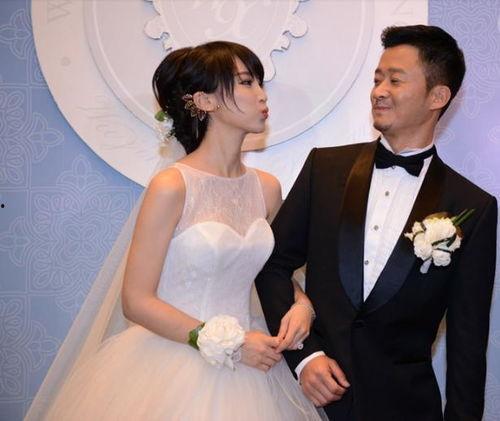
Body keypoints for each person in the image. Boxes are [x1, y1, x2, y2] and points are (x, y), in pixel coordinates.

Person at [25, 41, 322, 420]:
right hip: (175, 361)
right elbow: (136, 300)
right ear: (205, 101)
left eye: (259, 83)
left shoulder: (267, 188)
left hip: (257, 361)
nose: (262, 95)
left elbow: (275, 272)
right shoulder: (172, 186)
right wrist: (227, 343)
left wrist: (302, 305)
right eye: (247, 82)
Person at [255, 25, 497, 421]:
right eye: (377, 79)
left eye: (395, 80)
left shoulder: (472, 206)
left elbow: (468, 339)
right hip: (311, 404)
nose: (379, 91)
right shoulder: (325, 169)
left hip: (406, 408)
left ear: (438, 96)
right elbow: (271, 265)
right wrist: (305, 356)